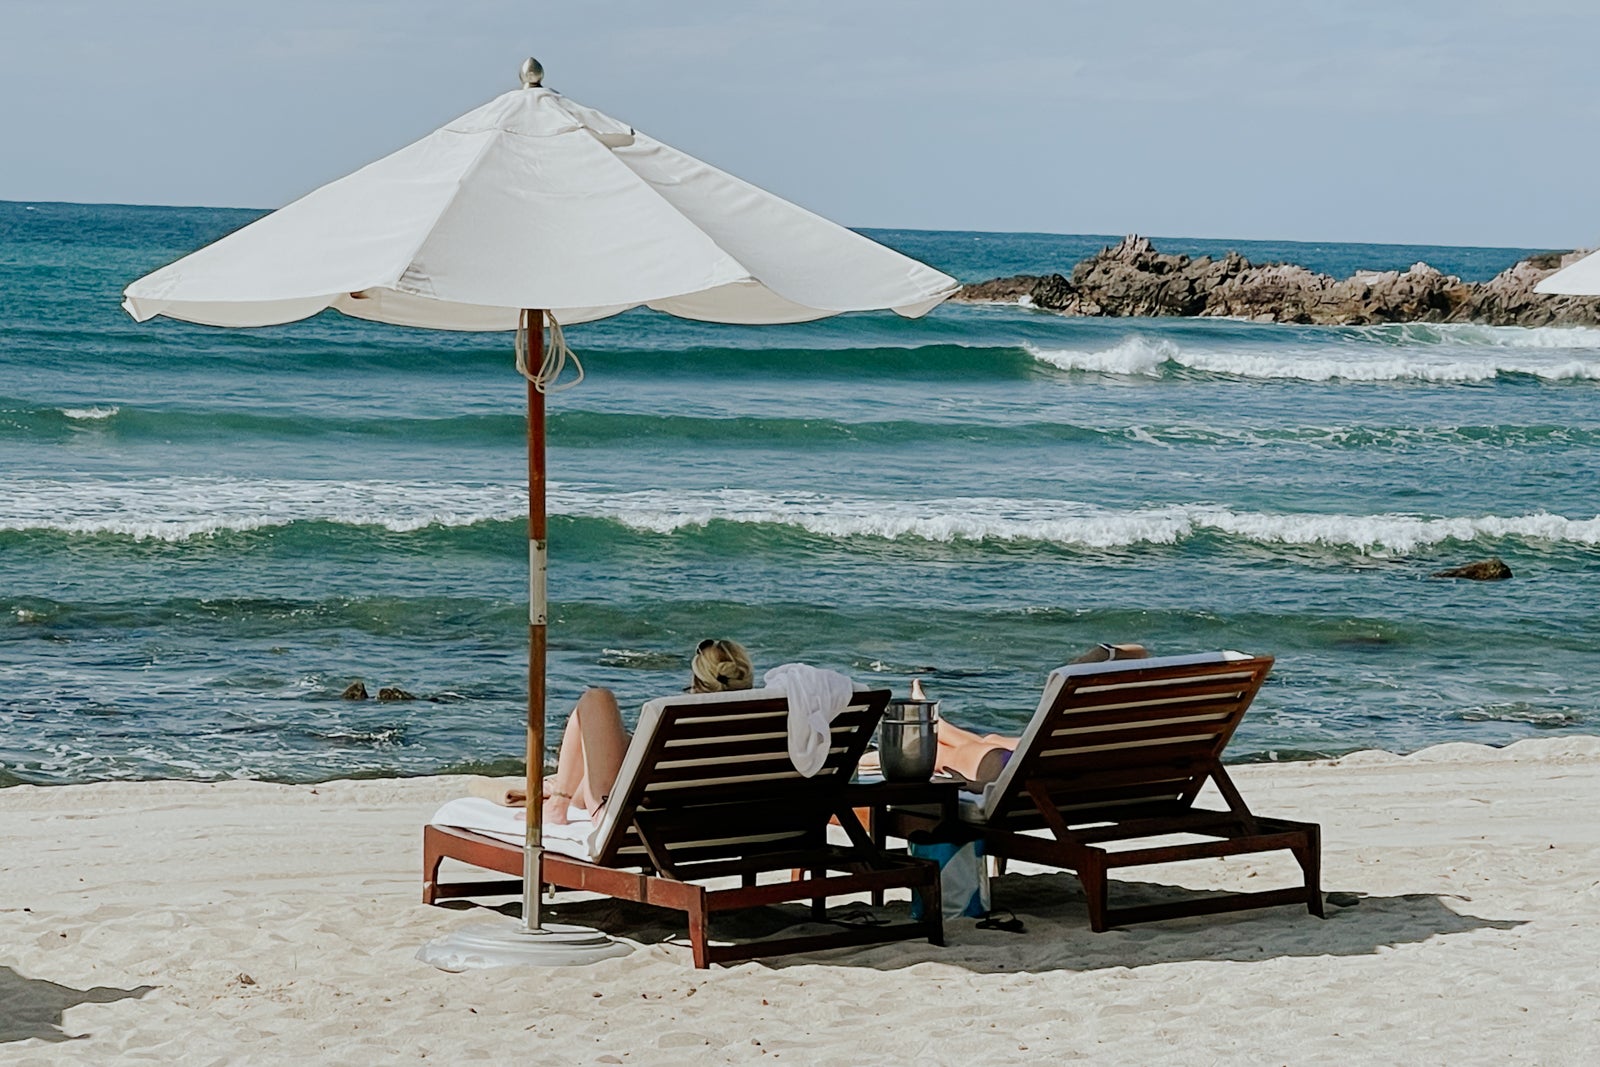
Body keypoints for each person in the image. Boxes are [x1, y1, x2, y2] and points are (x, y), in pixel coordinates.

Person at [543, 639, 754, 824]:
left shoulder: (675, 722)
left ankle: (557, 803)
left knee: (597, 699)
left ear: (696, 681)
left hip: (642, 827)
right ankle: (560, 792)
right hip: (728, 825)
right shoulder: (763, 727)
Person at [932, 642, 1149, 786]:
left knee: (946, 754)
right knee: (995, 742)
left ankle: (935, 729)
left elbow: (1138, 652)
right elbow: (1140, 652)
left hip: (1031, 780)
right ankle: (941, 728)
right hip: (1080, 771)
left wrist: (974, 787)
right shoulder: (1138, 746)